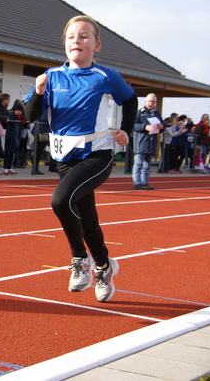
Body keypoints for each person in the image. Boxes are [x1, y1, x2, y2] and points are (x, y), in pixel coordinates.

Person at [24, 15, 138, 302]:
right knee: (87, 219)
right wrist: (38, 93)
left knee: (60, 201)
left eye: (84, 36)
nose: (77, 40)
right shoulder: (51, 77)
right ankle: (104, 266)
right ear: (64, 44)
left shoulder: (105, 76)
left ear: (96, 45)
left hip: (96, 154)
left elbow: (131, 99)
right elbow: (29, 116)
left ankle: (79, 259)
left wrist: (125, 130)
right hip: (64, 157)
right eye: (71, 36)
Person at [132, 93, 163, 190]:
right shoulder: (140, 112)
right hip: (141, 142)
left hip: (151, 142)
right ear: (145, 102)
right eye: (149, 101)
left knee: (147, 165)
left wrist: (162, 127)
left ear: (155, 103)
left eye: (152, 101)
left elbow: (161, 126)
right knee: (138, 163)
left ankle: (145, 182)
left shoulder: (157, 113)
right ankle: (137, 182)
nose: (150, 103)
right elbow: (134, 125)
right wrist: (144, 127)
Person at [3, 101, 25, 175]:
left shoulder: (20, 118)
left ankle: (9, 167)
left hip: (15, 137)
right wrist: (17, 117)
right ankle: (6, 167)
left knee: (12, 152)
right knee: (8, 152)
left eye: (20, 111)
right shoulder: (11, 116)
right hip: (10, 136)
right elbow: (11, 117)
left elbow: (24, 118)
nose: (19, 112)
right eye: (18, 111)